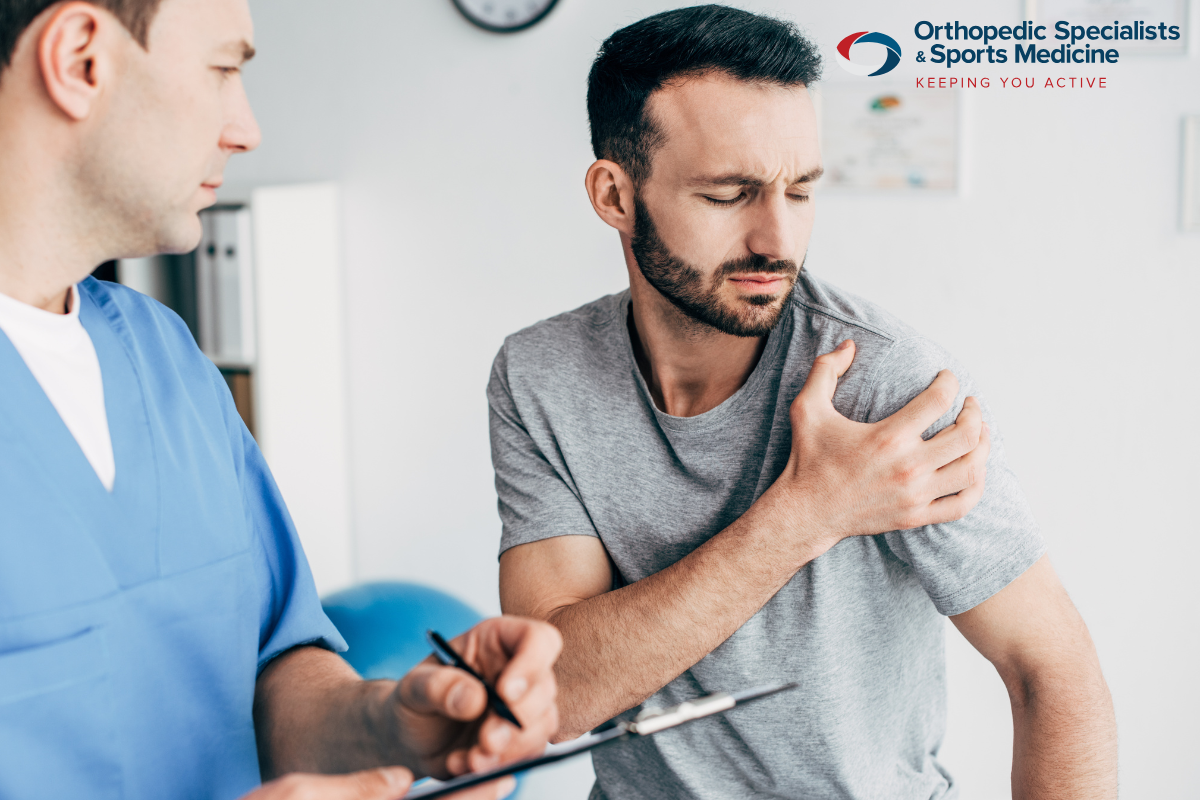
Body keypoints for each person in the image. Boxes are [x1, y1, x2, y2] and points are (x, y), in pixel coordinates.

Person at [493, 6, 1117, 800]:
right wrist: (809, 513)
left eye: (800, 190)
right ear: (615, 194)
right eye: (729, 194)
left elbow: (1051, 669)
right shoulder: (540, 374)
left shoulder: (883, 387)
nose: (777, 239)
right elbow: (555, 695)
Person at [0, 1, 561, 798]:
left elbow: (270, 668)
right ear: (81, 59)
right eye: (224, 69)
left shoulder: (165, 357)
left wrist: (393, 723)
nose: (245, 128)